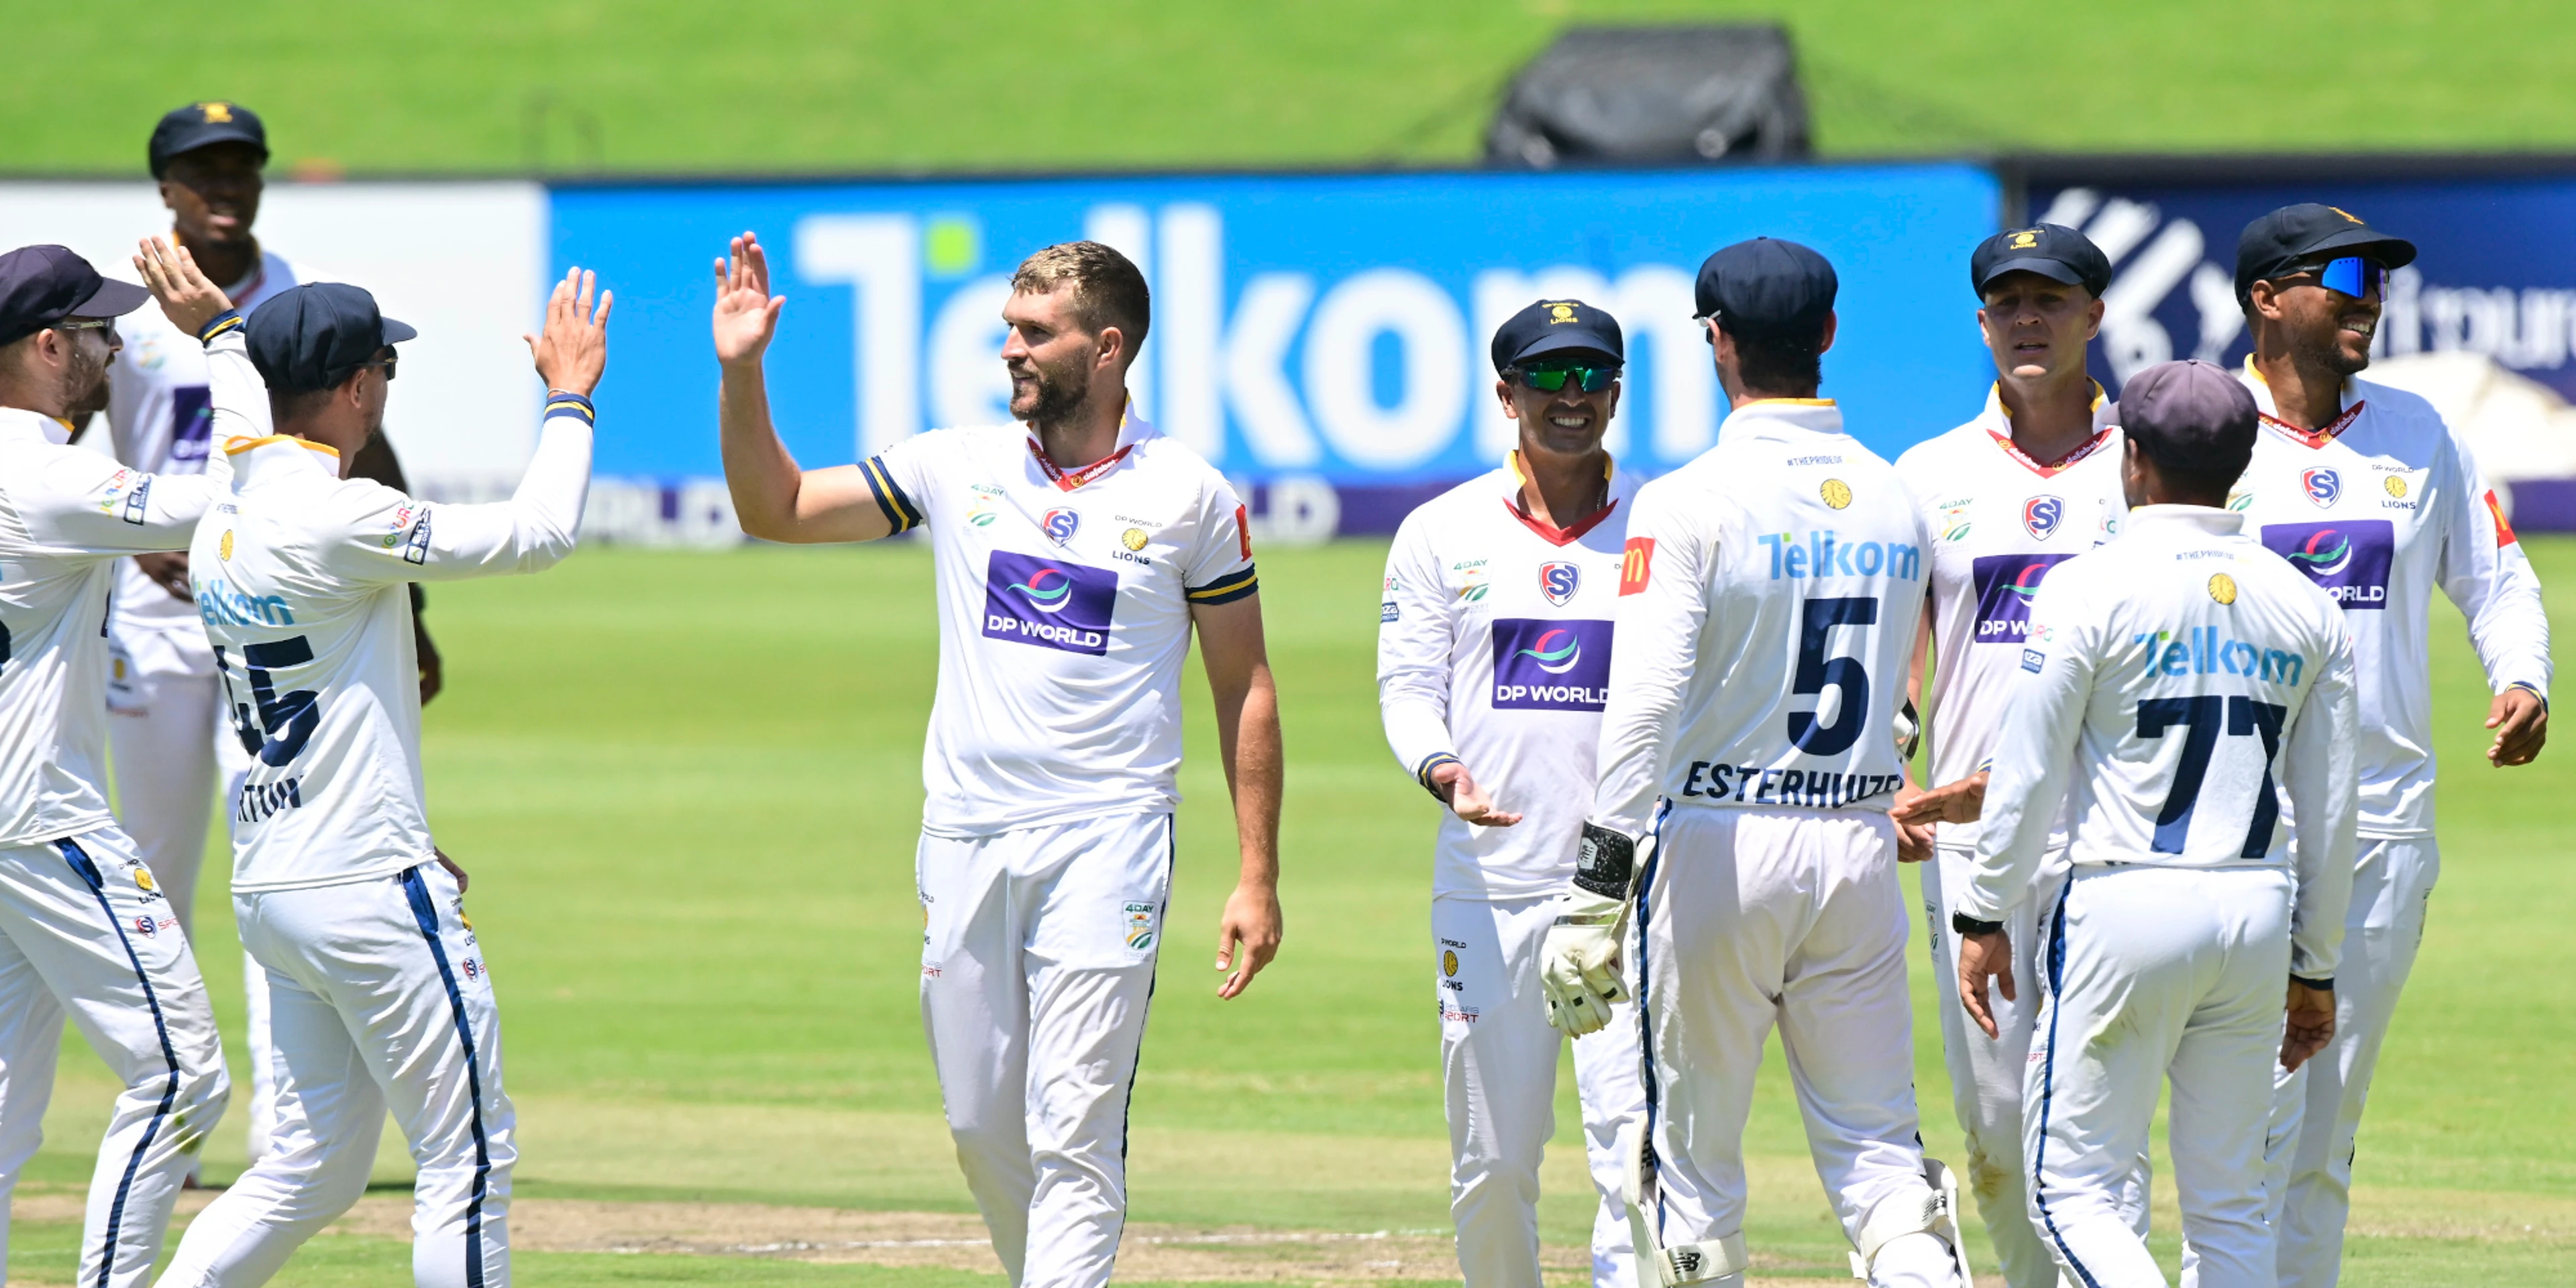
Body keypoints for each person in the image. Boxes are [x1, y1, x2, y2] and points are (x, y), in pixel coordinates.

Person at [710, 233, 1284, 1288]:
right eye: (1009, 331)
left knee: (1073, 1123)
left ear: (1106, 349)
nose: (1011, 350)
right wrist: (743, 372)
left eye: (1036, 333)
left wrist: (1257, 872)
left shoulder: (1190, 496)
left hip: (1109, 839)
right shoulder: (955, 463)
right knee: (982, 1127)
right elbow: (774, 510)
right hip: (965, 838)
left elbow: (1244, 685)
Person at [148, 252, 608, 1288]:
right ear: (358, 387)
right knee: (468, 1161)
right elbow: (538, 533)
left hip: (276, 887)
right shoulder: (338, 515)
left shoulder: (225, 503)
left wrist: (223, 335)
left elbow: (241, 410)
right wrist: (571, 399)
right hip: (366, 886)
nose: (385, 389)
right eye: (383, 372)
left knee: (307, 1168)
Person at [1538, 238, 1970, 1288]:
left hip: (1717, 849)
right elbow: (1903, 686)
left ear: (1716, 343)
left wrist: (1596, 892)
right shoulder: (1894, 494)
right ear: (1827, 337)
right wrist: (1878, 772)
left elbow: (1641, 704)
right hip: (1857, 846)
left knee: (1689, 1177)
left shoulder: (1688, 500)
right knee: (1880, 1166)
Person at [1955, 358, 2359, 1287]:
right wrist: (2317, 966)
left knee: (2071, 1194)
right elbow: (2332, 808)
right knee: (2229, 1207)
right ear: (2244, 462)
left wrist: (1983, 914)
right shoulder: (2306, 602)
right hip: (2256, 909)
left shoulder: (2084, 588)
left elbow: (2026, 773)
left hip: (2123, 899)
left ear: (2129, 458)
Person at [101, 102, 443, 1171]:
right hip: (155, 618)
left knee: (277, 852)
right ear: (164, 186)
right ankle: (167, 1116)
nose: (225, 187)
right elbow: (75, 447)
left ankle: (283, 1133)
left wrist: (416, 609)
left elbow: (363, 442)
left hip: (274, 618)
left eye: (240, 166)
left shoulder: (293, 290)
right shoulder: (137, 308)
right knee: (153, 874)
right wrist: (133, 535)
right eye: (201, 170)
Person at [2226, 203, 2551, 1287]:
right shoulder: (2201, 428)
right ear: (2269, 298)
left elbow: (2497, 578)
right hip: (2230, 827)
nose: (2371, 294)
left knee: (2325, 1133)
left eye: (2380, 277)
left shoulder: (2420, 432)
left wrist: (2522, 675)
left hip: (2381, 825)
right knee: (2245, 1127)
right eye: (2346, 276)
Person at [1887, 224, 2140, 1287]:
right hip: (1976, 840)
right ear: (1983, 321)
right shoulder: (1929, 472)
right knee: (1995, 1125)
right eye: (2009, 303)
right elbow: (1908, 650)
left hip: (2117, 824)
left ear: (2094, 314)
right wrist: (1897, 769)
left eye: (2053, 300)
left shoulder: (2149, 461)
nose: (2029, 321)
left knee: (2094, 1118)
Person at [1377, 299, 1647, 1288]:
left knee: (1636, 1167)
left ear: (1616, 392)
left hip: (1631, 894)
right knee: (1493, 1166)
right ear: (1505, 393)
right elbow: (1407, 690)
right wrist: (1444, 773)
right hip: (1489, 888)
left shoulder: (1666, 525)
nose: (1569, 398)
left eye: (1589, 378)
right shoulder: (1441, 532)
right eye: (1547, 378)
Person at [0, 244, 233, 1288]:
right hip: (41, 822)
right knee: (183, 1076)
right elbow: (242, 499)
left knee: (4, 1102)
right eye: (98, 333)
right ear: (48, 346)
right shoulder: (47, 472)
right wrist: (224, 345)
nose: (112, 349)